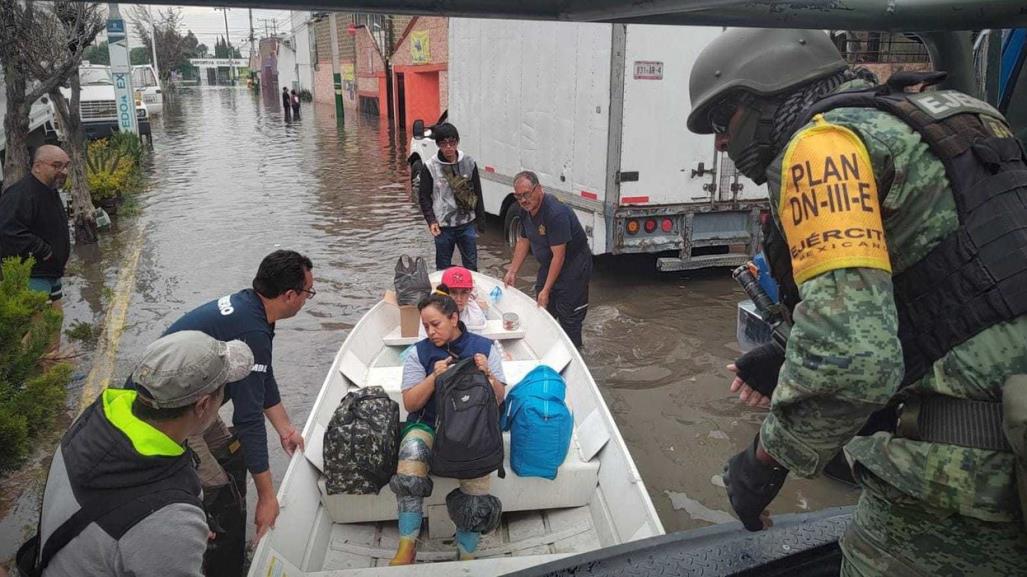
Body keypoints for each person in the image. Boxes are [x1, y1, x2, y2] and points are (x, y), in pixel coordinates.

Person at [687, 28, 1027, 575]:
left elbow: (850, 364)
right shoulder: (952, 112)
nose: (721, 144)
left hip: (958, 485)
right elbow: (962, 275)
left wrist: (762, 462)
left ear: (764, 96)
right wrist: (787, 347)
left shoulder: (821, 149)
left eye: (722, 123)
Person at [18, 331, 254, 577]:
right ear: (203, 405)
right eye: (222, 390)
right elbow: (157, 527)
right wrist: (174, 539)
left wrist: (168, 540)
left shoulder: (91, 422)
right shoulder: (170, 522)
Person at [141, 249, 313, 576]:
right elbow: (247, 419)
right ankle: (219, 565)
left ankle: (233, 550)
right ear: (290, 295)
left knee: (232, 454)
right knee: (218, 491)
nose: (307, 300)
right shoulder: (253, 330)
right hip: (168, 418)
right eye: (308, 293)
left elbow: (262, 376)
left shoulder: (253, 309)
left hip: (194, 405)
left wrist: (285, 429)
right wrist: (267, 496)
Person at [389, 291, 506, 565]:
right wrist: (433, 377)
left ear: (454, 318)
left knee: (477, 480)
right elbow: (410, 402)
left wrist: (487, 373)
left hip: (474, 429)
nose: (430, 332)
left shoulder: (485, 348)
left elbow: (499, 396)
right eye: (426, 325)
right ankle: (407, 545)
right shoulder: (419, 353)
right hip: (429, 426)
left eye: (436, 324)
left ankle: (466, 550)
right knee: (411, 453)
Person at [503, 170, 593, 348]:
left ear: (539, 189)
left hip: (573, 266)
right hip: (548, 263)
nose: (523, 200)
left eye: (526, 194)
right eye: (518, 196)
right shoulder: (524, 209)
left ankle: (575, 354)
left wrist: (547, 289)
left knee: (569, 318)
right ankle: (548, 348)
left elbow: (559, 256)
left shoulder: (555, 213)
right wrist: (512, 271)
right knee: (543, 310)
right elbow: (523, 240)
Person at [0, 145, 71, 304]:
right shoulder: (20, 194)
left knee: (55, 319)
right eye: (57, 165)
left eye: (66, 166)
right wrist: (44, 251)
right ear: (37, 166)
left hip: (52, 272)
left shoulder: (50, 189)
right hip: (34, 275)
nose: (64, 171)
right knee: (38, 325)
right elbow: (8, 232)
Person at [416, 122, 485, 271]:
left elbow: (477, 191)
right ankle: (444, 294)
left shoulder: (469, 162)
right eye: (443, 143)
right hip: (443, 226)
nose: (448, 147)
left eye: (452, 142)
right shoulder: (430, 167)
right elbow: (424, 197)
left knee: (471, 266)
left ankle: (470, 292)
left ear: (457, 142)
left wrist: (481, 220)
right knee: (443, 267)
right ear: (438, 144)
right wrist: (431, 221)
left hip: (467, 223)